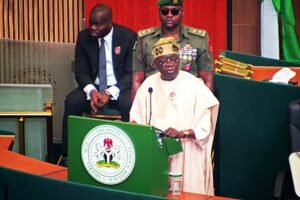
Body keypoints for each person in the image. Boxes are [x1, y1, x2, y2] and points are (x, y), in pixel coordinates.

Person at [130, 37, 219, 195]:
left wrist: (183, 133)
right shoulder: (148, 86)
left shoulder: (194, 84)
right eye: (163, 61)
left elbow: (205, 125)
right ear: (155, 64)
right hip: (157, 153)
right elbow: (135, 121)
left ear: (179, 59)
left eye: (173, 59)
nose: (169, 64)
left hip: (188, 150)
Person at [60, 3, 137, 163]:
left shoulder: (128, 37)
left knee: (129, 104)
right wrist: (92, 92)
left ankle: (132, 153)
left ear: (110, 23)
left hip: (119, 88)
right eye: (91, 23)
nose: (93, 28)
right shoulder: (83, 37)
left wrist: (109, 93)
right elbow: (81, 71)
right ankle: (68, 155)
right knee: (72, 101)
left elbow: (131, 74)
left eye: (98, 24)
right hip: (94, 87)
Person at [132, 0, 214, 100]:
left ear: (182, 12)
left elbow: (208, 80)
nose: (169, 15)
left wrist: (204, 108)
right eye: (164, 11)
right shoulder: (145, 39)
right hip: (156, 97)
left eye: (175, 12)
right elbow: (137, 80)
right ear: (159, 12)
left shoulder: (198, 39)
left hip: (188, 97)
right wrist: (137, 111)